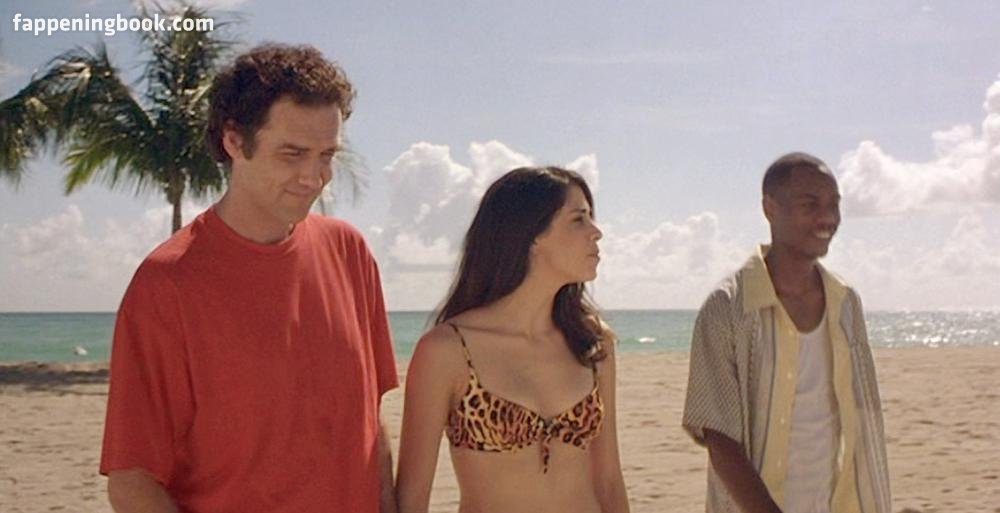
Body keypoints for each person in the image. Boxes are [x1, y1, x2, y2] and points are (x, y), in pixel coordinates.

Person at [99, 44, 398, 513]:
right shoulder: (167, 284)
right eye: (292, 154)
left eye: (326, 155)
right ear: (235, 142)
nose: (314, 177)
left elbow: (370, 427)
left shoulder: (350, 252)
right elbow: (132, 482)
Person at [396, 167, 630, 513]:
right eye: (578, 219)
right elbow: (412, 498)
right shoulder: (448, 350)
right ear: (532, 235)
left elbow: (608, 481)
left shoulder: (592, 343)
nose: (596, 232)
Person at [682, 152, 892, 513]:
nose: (827, 217)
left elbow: (862, 420)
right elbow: (719, 437)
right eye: (810, 204)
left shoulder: (845, 303)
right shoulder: (728, 307)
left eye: (834, 204)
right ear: (770, 208)